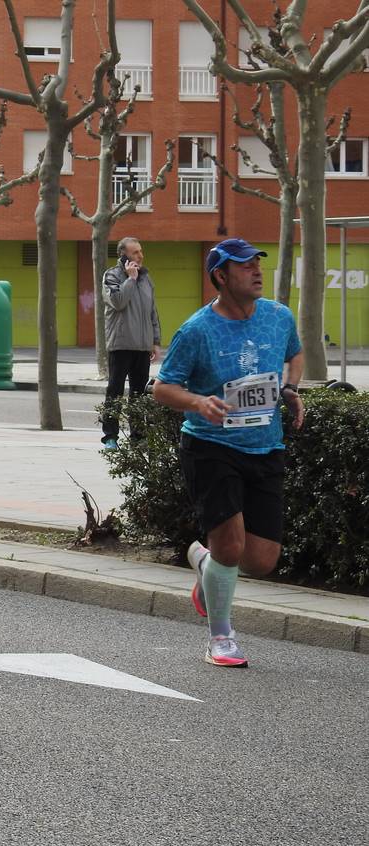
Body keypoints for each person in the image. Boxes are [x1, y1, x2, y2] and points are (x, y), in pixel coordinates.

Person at [152, 238, 304, 669]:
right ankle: (221, 637)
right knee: (232, 547)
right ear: (220, 276)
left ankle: (203, 560)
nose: (256, 271)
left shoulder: (278, 316)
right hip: (210, 446)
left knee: (262, 560)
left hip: (265, 445)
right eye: (244, 266)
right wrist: (199, 402)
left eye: (257, 263)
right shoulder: (197, 330)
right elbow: (163, 387)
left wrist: (290, 388)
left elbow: (296, 353)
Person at [101, 237, 162, 450]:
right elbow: (117, 302)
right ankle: (110, 436)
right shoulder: (112, 276)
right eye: (135, 252)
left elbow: (152, 311)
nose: (140, 255)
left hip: (142, 346)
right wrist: (130, 278)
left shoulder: (147, 279)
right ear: (124, 256)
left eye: (141, 251)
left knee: (139, 394)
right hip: (121, 343)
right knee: (115, 390)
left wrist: (155, 341)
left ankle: (138, 437)